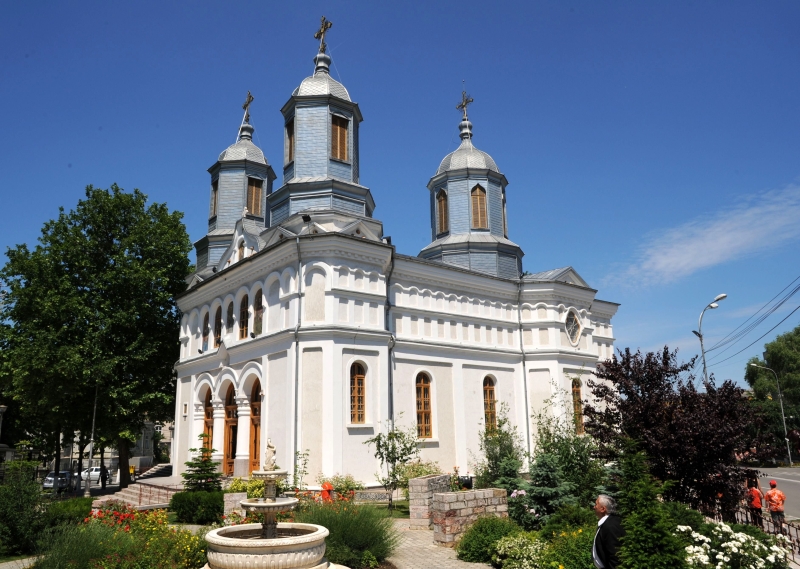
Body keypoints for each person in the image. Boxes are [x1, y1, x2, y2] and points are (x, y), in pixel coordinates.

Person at [593, 494, 625, 569]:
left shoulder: (610, 526)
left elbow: (615, 555)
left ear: (603, 509)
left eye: (596, 504)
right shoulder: (608, 522)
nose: (594, 507)